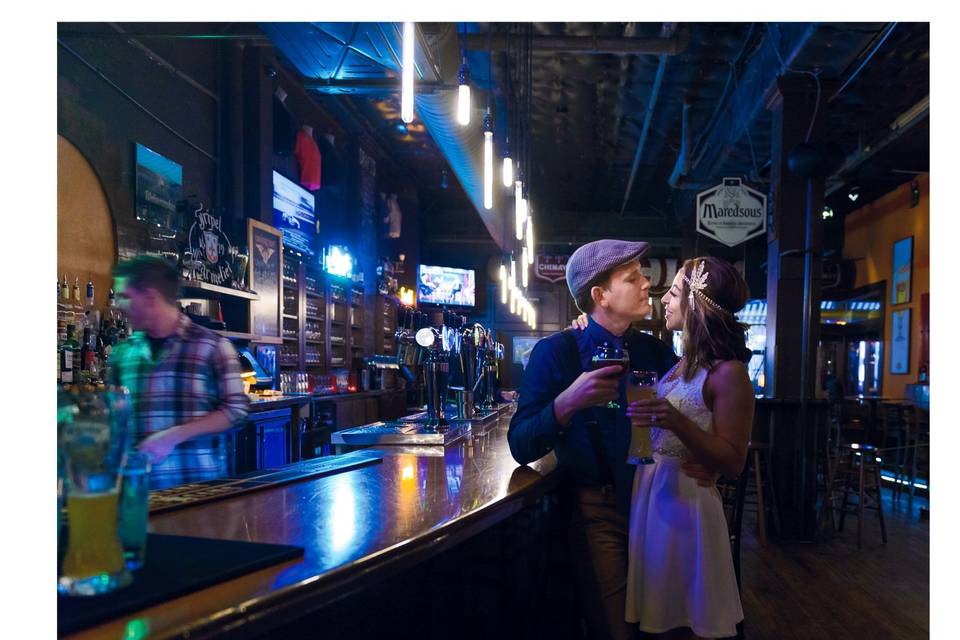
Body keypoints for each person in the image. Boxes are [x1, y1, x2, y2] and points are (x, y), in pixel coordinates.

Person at [508, 240, 721, 640]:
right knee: (617, 630)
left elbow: (697, 412)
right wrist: (566, 403)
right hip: (599, 510)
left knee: (664, 627)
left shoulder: (654, 351)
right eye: (634, 277)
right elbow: (520, 444)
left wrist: (706, 457)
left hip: (657, 506)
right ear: (600, 295)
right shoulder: (556, 353)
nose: (647, 285)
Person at [624, 257, 754, 639]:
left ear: (696, 305)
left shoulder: (729, 373)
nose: (665, 299)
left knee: (685, 620)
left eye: (675, 292)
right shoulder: (682, 364)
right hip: (653, 492)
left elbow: (733, 461)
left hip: (687, 505)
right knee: (656, 616)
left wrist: (673, 419)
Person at [107, 255, 250, 490]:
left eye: (124, 297)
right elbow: (113, 420)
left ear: (150, 297)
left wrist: (172, 436)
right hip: (138, 492)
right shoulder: (122, 353)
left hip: (199, 493)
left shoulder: (212, 346)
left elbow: (237, 411)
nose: (117, 306)